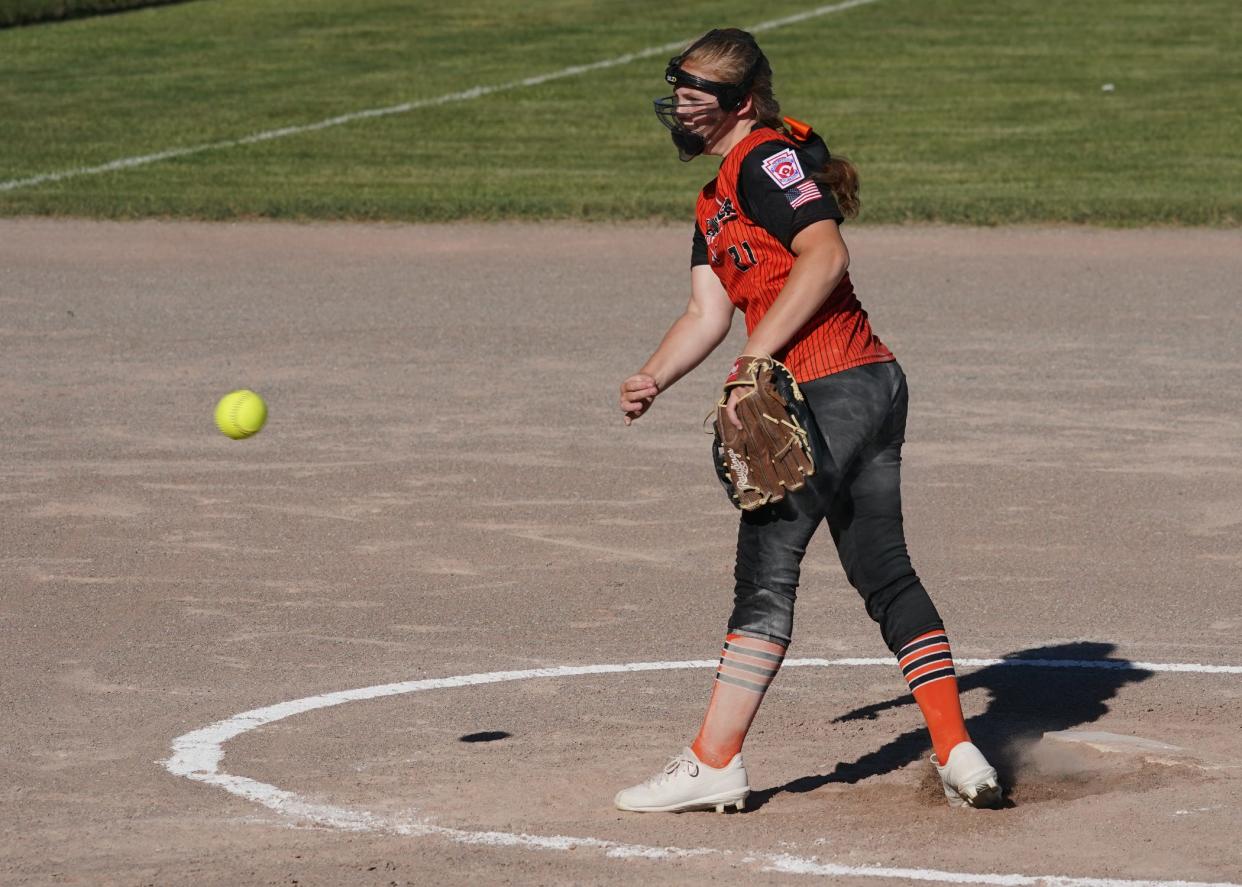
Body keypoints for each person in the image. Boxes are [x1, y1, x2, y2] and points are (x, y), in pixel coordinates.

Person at [614, 28, 1003, 813]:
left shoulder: (765, 161)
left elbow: (826, 256)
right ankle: (958, 749)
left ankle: (713, 759)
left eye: (696, 97)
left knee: (765, 572)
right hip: (864, 385)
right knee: (884, 572)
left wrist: (758, 359)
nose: (681, 109)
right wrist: (654, 374)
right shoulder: (718, 191)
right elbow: (705, 309)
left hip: (833, 387)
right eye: (678, 94)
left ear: (741, 104)